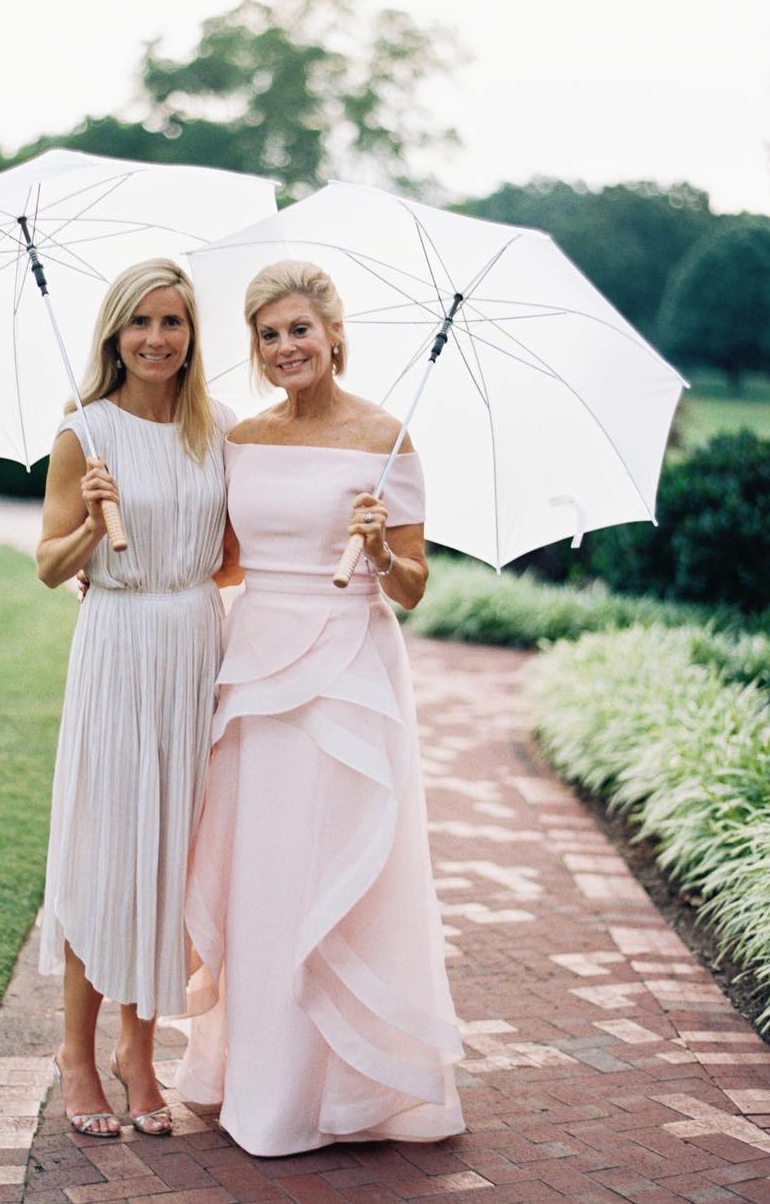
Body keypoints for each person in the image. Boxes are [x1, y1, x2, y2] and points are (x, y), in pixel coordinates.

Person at [174, 260, 465, 1156]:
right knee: (261, 867)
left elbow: (414, 589)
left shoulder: (387, 436)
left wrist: (381, 548)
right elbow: (225, 559)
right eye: (267, 334)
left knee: (333, 868)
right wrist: (139, 564)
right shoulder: (243, 438)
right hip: (256, 660)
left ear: (333, 333)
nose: (284, 347)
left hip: (348, 667)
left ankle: (345, 1089)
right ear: (255, 349)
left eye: (299, 328)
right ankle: (257, 1078)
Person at [36, 258, 238, 1138]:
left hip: (195, 639)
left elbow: (227, 558)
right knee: (108, 847)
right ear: (115, 334)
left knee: (170, 854)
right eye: (141, 323)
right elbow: (49, 565)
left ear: (193, 335)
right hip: (119, 646)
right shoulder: (85, 431)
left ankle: (138, 1051)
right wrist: (90, 522)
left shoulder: (218, 428)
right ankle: (76, 1053)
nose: (158, 339)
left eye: (174, 322)